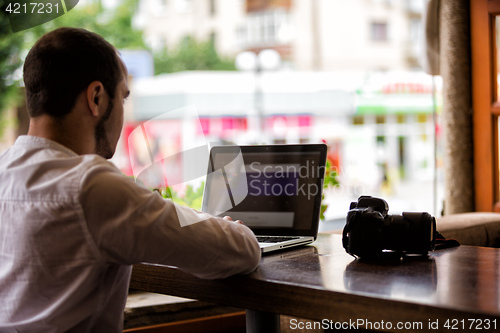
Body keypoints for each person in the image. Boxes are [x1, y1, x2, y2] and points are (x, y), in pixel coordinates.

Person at [0, 27, 260, 332]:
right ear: (96, 97)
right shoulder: (90, 186)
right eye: (122, 97)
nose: (122, 113)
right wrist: (231, 229)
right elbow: (240, 251)